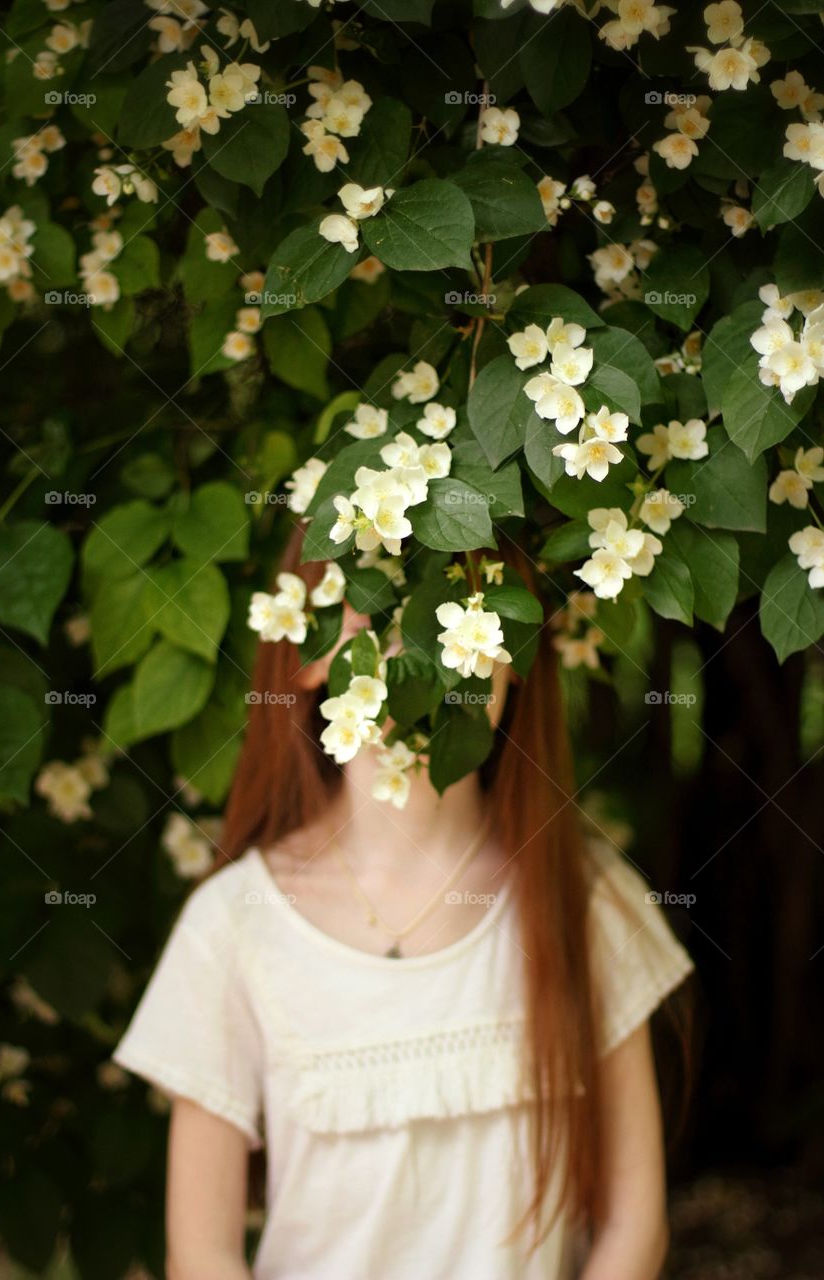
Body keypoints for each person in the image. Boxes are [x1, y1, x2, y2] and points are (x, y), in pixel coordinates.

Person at [113, 526, 694, 1280]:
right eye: (372, 626)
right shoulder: (233, 924)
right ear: (308, 653)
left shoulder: (587, 901)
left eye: (457, 621)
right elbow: (202, 1254)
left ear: (515, 657)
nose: (416, 670)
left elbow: (633, 1228)